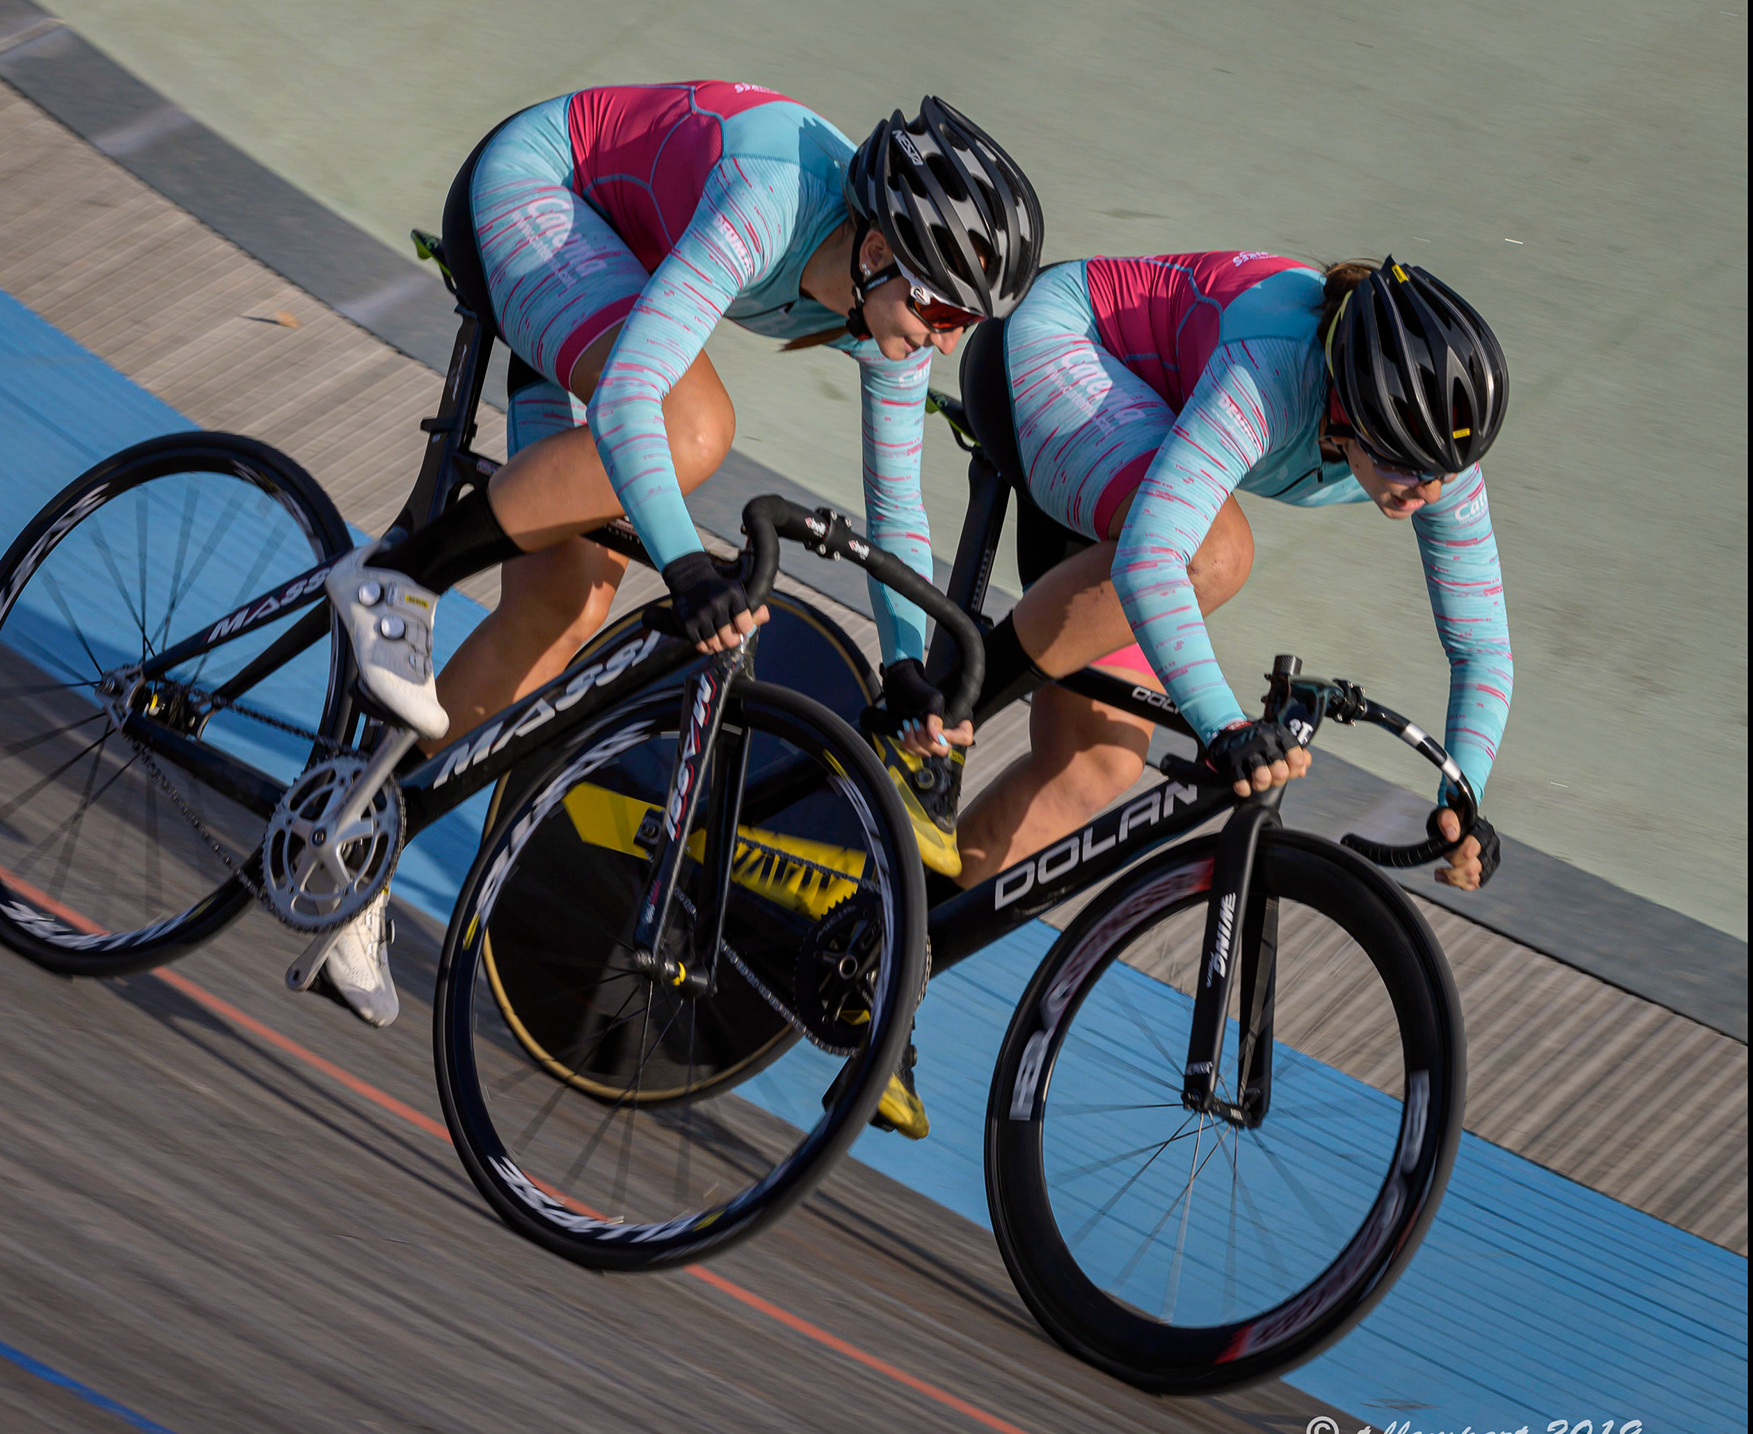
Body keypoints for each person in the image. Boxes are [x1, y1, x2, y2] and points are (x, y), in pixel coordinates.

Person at [310, 83, 1044, 1105]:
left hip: (613, 262)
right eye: (942, 309)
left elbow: (896, 506)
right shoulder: (771, 198)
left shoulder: (882, 303)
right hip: (531, 197)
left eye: (966, 319)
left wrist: (909, 667)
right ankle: (399, 575)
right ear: (877, 248)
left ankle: (353, 846)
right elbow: (633, 400)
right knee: (695, 428)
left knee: (569, 598)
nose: (948, 340)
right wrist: (692, 569)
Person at [892, 252, 1513, 1126]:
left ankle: (883, 961)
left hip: (1149, 429)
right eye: (1410, 467)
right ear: (1348, 406)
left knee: (1096, 770)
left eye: (1444, 470)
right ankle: (927, 722)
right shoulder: (1275, 370)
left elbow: (1482, 647)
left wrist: (1465, 786)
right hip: (1059, 353)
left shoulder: (1431, 446)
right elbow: (1155, 556)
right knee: (1216, 550)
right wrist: (1220, 721)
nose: (1430, 491)